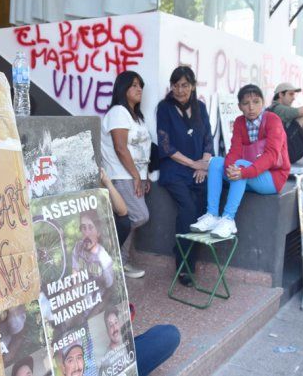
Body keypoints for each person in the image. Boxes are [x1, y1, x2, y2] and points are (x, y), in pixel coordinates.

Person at [190, 84, 290, 238]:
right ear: (239, 106)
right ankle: (212, 215)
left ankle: (228, 219)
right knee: (216, 161)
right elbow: (234, 150)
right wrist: (231, 168)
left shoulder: (273, 120)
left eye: (256, 102)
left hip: (272, 178)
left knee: (240, 165)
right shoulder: (239, 122)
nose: (251, 107)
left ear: (263, 103)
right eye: (246, 103)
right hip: (247, 175)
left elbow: (271, 155)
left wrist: (243, 171)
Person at [156, 66, 213, 287]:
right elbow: (166, 145)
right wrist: (193, 163)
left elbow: (208, 138)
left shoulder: (200, 107)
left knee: (201, 214)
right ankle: (183, 265)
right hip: (175, 169)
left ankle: (191, 261)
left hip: (199, 170)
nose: (180, 90)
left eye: (185, 85)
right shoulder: (164, 108)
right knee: (187, 211)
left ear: (192, 86)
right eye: (176, 85)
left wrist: (204, 165)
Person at [100, 71, 151, 279]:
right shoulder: (118, 112)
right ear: (123, 89)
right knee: (138, 216)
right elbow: (121, 148)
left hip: (133, 175)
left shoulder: (136, 117)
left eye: (141, 85)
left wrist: (143, 176)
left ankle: (120, 262)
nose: (139, 89)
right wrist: (136, 176)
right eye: (134, 85)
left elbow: (142, 150)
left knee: (128, 219)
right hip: (120, 175)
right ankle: (109, 258)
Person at [98, 306, 133, 375]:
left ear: (119, 324)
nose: (115, 328)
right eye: (110, 325)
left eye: (116, 322)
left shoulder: (127, 342)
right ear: (107, 331)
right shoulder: (106, 361)